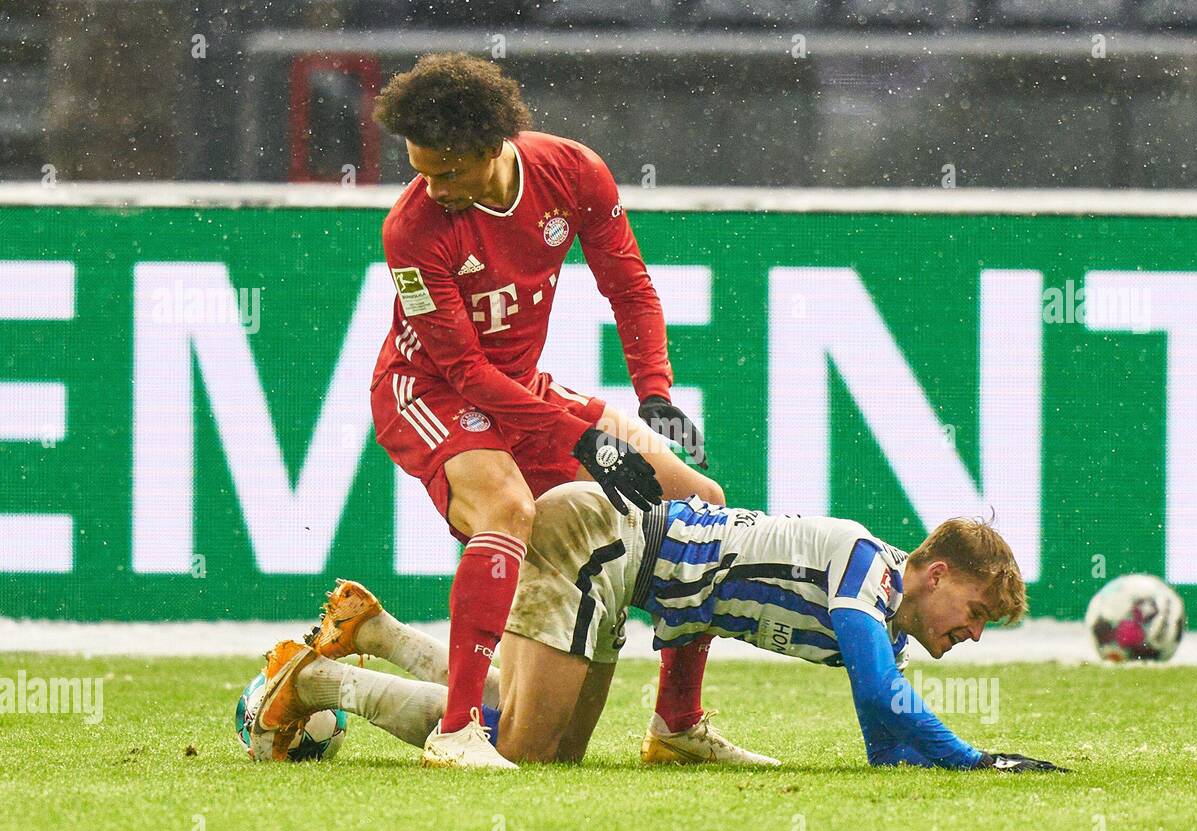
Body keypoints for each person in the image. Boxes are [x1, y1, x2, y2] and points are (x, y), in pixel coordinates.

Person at [367, 52, 736, 768]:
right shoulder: (411, 230)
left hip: (521, 389)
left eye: (445, 171)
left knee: (700, 506)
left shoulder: (571, 172)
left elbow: (629, 285)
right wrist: (583, 440)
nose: (431, 187)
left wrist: (654, 393)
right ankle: (456, 733)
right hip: (428, 392)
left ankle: (676, 727)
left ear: (491, 145)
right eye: (418, 170)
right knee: (507, 507)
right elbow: (463, 370)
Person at [253, 483, 1067, 773]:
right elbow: (882, 698)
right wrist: (975, 760)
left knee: (553, 744)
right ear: (936, 573)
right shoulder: (869, 567)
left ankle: (379, 634)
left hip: (621, 565)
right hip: (600, 538)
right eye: (977, 611)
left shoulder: (885, 620)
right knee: (524, 750)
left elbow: (883, 735)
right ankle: (321, 681)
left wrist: (927, 768)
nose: (975, 634)